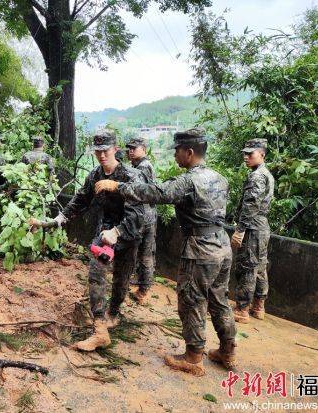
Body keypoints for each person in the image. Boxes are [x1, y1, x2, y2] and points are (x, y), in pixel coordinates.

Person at [95, 128, 237, 376]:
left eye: (177, 151)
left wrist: (119, 186)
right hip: (222, 245)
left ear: (189, 152)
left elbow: (157, 193)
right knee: (219, 299)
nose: (174, 155)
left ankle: (193, 357)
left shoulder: (188, 181)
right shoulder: (220, 178)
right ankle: (227, 350)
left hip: (201, 248)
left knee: (191, 299)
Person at [30, 129, 145, 352]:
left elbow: (139, 214)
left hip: (129, 233)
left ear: (115, 150)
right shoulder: (95, 175)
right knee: (96, 273)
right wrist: (55, 221)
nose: (102, 155)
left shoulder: (131, 176)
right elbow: (80, 201)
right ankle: (100, 329)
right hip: (104, 232)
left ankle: (114, 313)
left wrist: (118, 232)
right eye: (98, 151)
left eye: (106, 150)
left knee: (122, 278)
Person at [232, 139, 274, 323]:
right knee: (260, 267)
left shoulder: (257, 176)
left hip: (253, 227)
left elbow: (251, 204)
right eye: (245, 153)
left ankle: (242, 309)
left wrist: (240, 230)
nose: (246, 157)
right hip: (262, 226)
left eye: (251, 154)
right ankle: (258, 306)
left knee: (248, 266)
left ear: (262, 154)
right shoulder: (266, 174)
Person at [126, 137, 157, 305]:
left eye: (134, 148)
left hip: (143, 216)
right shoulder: (138, 166)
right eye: (129, 148)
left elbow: (136, 191)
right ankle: (142, 287)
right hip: (145, 214)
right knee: (143, 253)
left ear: (143, 149)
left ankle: (144, 290)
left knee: (144, 253)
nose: (131, 151)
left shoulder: (143, 167)